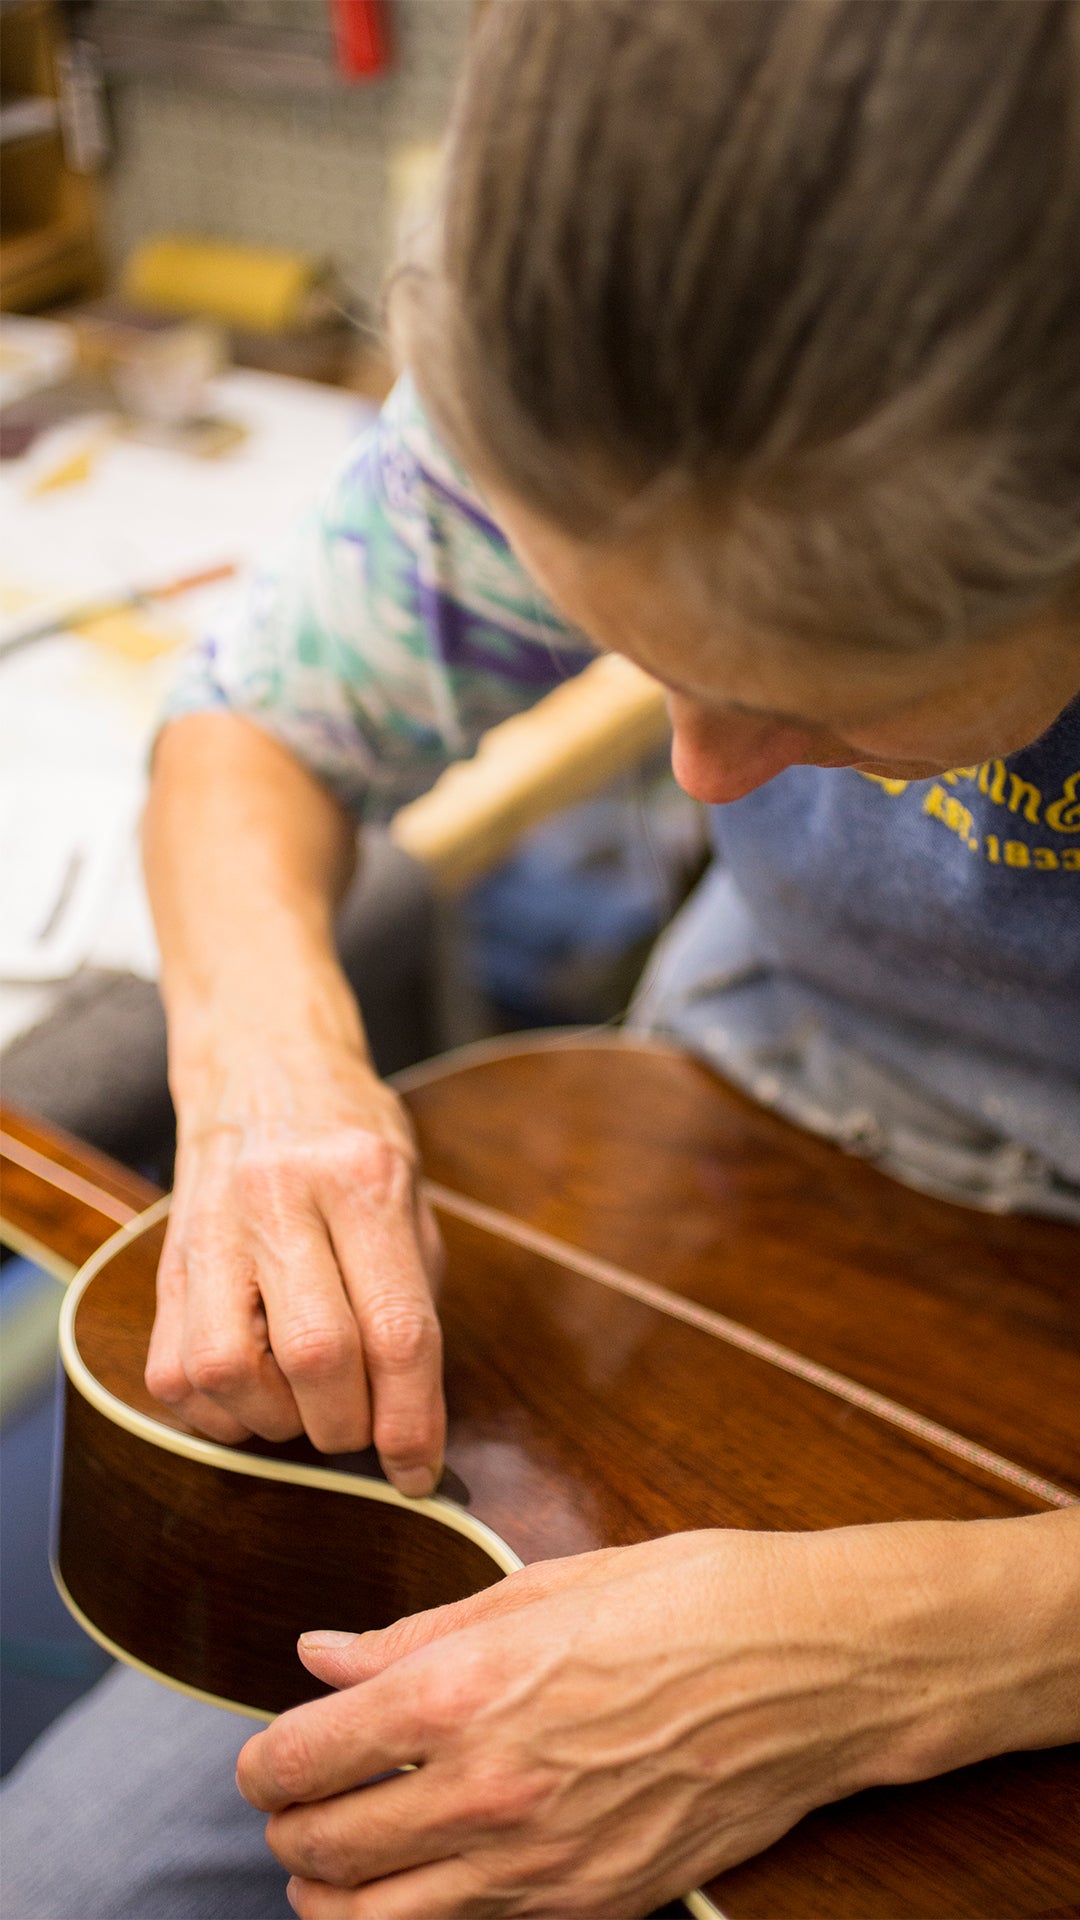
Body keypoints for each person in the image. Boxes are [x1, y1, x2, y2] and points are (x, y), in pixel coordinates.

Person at [3, 4, 1078, 1916]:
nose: (700, 773)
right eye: (647, 656)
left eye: (815, 699)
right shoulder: (605, 332)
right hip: (752, 1159)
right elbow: (252, 733)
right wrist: (265, 1075)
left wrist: (903, 1649)